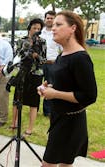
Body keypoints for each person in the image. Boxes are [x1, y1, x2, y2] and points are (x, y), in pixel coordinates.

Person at [37, 11, 97, 167]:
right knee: (64, 164)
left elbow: (89, 96)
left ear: (73, 28)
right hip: (58, 117)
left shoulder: (80, 57)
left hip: (71, 122)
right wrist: (47, 88)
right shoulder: (62, 54)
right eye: (53, 24)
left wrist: (55, 93)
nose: (53, 28)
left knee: (48, 164)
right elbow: (63, 84)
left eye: (58, 24)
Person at [10, 18, 46, 136]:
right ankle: (13, 123)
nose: (36, 30)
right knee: (17, 99)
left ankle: (30, 128)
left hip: (36, 74)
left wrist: (37, 56)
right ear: (29, 27)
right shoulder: (21, 41)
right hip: (23, 73)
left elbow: (44, 60)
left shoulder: (42, 42)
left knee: (34, 102)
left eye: (39, 29)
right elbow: (16, 56)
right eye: (34, 28)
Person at [40, 10, 62, 117]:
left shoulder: (57, 33)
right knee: (37, 85)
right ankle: (33, 107)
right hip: (39, 64)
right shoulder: (40, 32)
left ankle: (47, 110)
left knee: (50, 85)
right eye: (47, 18)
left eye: (51, 18)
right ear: (45, 19)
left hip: (52, 64)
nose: (49, 20)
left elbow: (62, 50)